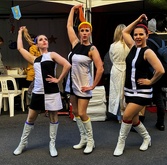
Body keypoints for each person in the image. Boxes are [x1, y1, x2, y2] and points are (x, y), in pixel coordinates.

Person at [13, 26, 71, 157]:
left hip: (52, 92)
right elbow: (20, 48)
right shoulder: (34, 59)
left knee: (53, 117)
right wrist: (20, 32)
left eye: (46, 39)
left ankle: (52, 144)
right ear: (37, 43)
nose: (44, 41)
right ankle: (22, 143)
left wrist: (58, 79)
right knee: (31, 117)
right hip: (38, 92)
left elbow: (67, 65)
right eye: (41, 39)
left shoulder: (52, 55)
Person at [113, 14, 165, 156]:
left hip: (141, 92)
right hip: (130, 90)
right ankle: (147, 138)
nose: (137, 37)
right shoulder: (132, 47)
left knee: (127, 116)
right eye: (136, 34)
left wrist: (150, 81)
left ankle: (120, 143)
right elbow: (124, 32)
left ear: (147, 35)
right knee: (134, 119)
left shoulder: (147, 52)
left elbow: (160, 70)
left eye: (141, 34)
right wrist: (138, 20)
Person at [66, 4, 104, 154]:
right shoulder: (75, 44)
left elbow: (100, 68)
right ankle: (83, 138)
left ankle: (90, 141)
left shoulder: (92, 49)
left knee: (82, 113)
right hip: (72, 84)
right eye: (82, 30)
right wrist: (72, 10)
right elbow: (69, 25)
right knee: (75, 112)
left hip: (83, 85)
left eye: (86, 30)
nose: (84, 33)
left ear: (90, 33)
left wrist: (93, 86)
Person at [147, 18, 167, 131]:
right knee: (159, 97)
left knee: (143, 97)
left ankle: (139, 120)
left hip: (150, 73)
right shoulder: (162, 41)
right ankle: (161, 123)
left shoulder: (148, 41)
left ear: (148, 30)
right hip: (161, 73)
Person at [108, 24, 130, 122]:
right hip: (126, 69)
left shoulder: (112, 46)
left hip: (116, 69)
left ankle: (119, 116)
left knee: (116, 92)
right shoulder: (129, 46)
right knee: (125, 92)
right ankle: (126, 114)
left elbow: (111, 59)